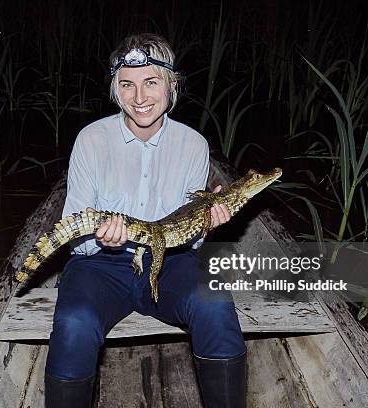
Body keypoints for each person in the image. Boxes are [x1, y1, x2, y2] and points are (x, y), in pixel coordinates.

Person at [44, 33, 247, 408]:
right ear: (115, 90)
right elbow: (75, 230)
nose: (139, 98)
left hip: (171, 260)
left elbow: (189, 236)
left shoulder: (194, 145)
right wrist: (100, 239)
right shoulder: (91, 140)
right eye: (127, 85)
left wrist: (208, 225)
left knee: (215, 304)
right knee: (73, 323)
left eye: (151, 82)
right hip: (100, 264)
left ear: (172, 85)